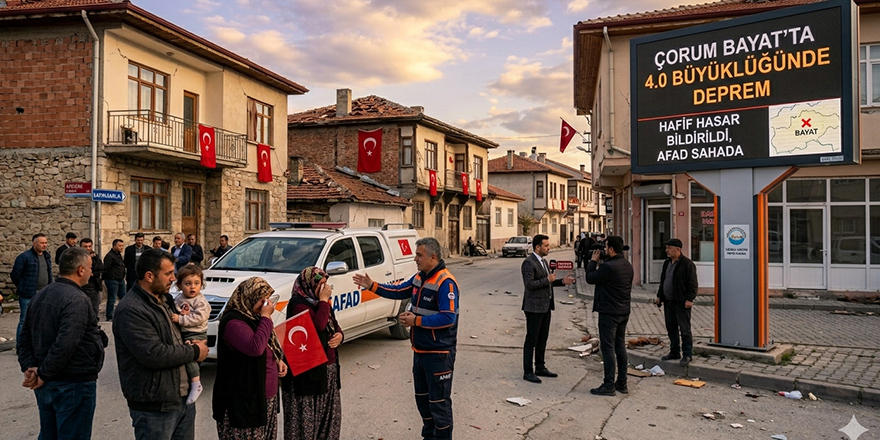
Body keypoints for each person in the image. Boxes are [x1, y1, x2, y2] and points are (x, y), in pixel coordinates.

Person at [352, 237, 459, 440]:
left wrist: (415, 321)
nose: (415, 259)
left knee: (439, 405)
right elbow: (398, 290)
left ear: (433, 257)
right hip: (420, 351)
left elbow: (448, 317)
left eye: (419, 255)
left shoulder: (446, 282)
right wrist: (372, 285)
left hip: (439, 354)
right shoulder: (419, 277)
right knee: (423, 402)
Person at [113, 249, 209, 440]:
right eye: (168, 273)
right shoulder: (131, 309)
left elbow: (177, 335)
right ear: (149, 276)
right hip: (155, 407)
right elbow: (153, 354)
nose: (173, 278)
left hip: (181, 399)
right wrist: (194, 351)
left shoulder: (166, 300)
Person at [17, 246, 107, 440]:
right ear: (81, 270)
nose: (92, 273)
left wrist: (32, 368)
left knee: (49, 434)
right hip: (72, 382)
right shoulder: (77, 299)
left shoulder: (41, 295)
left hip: (48, 380)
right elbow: (66, 343)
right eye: (90, 268)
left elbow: (24, 337)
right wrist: (40, 372)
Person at [213, 277, 287, 440]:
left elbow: (268, 343)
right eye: (262, 299)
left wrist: (278, 360)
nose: (266, 304)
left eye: (268, 299)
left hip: (264, 399)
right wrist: (266, 317)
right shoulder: (234, 322)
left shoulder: (254, 317)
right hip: (243, 403)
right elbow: (255, 347)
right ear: (250, 297)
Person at [282, 267, 343, 440]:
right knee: (307, 423)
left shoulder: (319, 303)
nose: (325, 289)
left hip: (327, 370)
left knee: (327, 420)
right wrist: (324, 301)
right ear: (309, 285)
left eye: (326, 284)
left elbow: (333, 324)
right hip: (308, 375)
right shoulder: (298, 305)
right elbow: (317, 327)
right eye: (321, 285)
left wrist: (340, 335)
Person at [521, 234, 575, 383]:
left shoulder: (544, 261)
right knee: (531, 340)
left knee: (542, 339)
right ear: (537, 247)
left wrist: (562, 281)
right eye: (546, 246)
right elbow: (529, 284)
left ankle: (540, 367)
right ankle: (528, 371)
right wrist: (547, 279)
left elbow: (548, 282)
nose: (549, 248)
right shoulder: (528, 263)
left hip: (545, 306)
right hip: (534, 307)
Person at [585, 235, 633, 396]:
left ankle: (608, 385)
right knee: (620, 347)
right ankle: (622, 383)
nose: (604, 250)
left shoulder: (608, 267)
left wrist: (593, 261)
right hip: (623, 311)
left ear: (611, 249)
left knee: (607, 348)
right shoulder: (627, 265)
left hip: (609, 313)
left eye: (605, 247)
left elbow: (590, 278)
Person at [654, 238, 699, 366]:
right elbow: (663, 280)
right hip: (668, 301)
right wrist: (659, 296)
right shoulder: (667, 263)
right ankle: (674, 351)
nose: (666, 250)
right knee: (671, 328)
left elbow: (693, 284)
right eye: (666, 248)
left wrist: (690, 299)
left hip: (681, 302)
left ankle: (687, 354)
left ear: (678, 249)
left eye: (669, 248)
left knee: (684, 329)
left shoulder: (687, 264)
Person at [173, 265, 210, 405]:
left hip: (197, 333)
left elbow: (200, 318)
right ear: (179, 285)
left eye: (196, 283)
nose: (192, 287)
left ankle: (196, 383)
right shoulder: (179, 298)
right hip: (184, 332)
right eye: (188, 284)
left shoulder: (200, 301)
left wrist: (180, 319)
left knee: (189, 357)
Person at [11, 233, 53, 341]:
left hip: (44, 293)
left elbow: (49, 273)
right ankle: (20, 345)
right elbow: (15, 275)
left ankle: (37, 344)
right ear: (34, 243)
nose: (44, 245)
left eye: (46, 243)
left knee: (42, 320)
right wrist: (23, 286)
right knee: (24, 320)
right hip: (28, 294)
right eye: (42, 243)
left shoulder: (47, 256)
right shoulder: (24, 257)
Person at [80, 238, 104, 318]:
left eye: (89, 246)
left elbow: (100, 268)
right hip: (82, 288)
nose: (88, 248)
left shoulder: (95, 257)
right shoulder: (77, 258)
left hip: (94, 287)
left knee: (94, 310)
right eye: (85, 246)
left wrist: (92, 273)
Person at [103, 238, 126, 321]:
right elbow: (105, 269)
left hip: (120, 280)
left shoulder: (119, 255)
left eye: (122, 246)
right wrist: (109, 277)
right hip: (112, 280)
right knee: (112, 299)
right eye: (119, 246)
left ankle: (124, 313)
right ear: (114, 246)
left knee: (124, 297)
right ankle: (109, 316)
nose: (121, 247)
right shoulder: (109, 256)